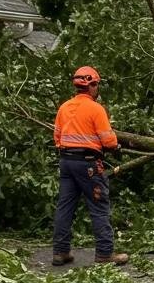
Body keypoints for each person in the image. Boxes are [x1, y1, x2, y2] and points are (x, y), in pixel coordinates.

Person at [51, 66, 129, 267]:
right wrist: (116, 145)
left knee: (65, 206)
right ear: (92, 85)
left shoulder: (64, 108)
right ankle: (104, 253)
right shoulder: (96, 109)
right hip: (88, 165)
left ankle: (60, 252)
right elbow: (108, 141)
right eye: (97, 85)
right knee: (99, 206)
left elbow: (57, 137)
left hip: (66, 162)